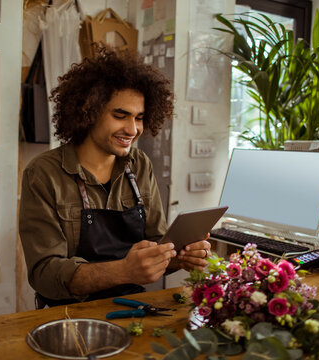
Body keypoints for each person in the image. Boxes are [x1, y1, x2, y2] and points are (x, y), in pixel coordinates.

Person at [19, 47, 211, 307]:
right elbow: (44, 275)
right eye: (120, 115)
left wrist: (180, 257)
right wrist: (124, 271)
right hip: (65, 314)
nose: (132, 130)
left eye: (139, 118)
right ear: (88, 111)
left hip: (132, 307)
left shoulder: (140, 165)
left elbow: (156, 244)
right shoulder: (43, 173)